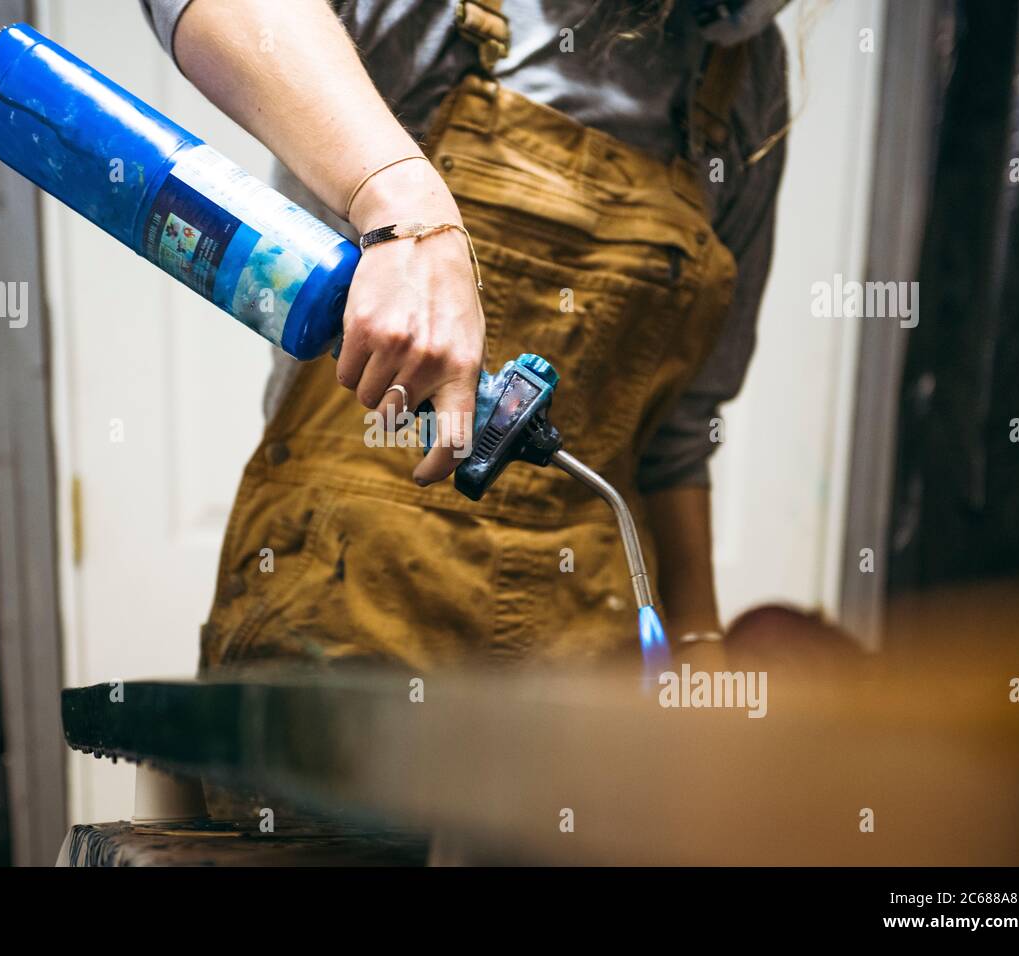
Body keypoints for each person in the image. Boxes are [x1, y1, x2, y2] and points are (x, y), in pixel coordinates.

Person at [139, 0, 791, 670]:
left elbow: (679, 434)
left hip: (584, 671)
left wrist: (699, 643)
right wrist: (395, 196)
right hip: (335, 626)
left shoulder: (746, 70)